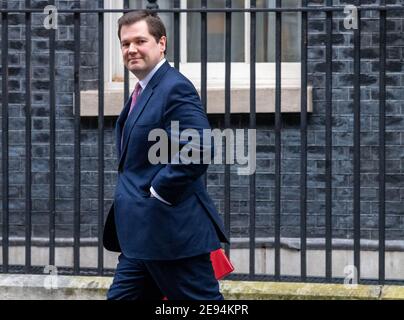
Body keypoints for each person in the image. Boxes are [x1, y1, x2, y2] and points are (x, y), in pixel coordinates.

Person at [103, 10, 229, 300]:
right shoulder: (143, 90)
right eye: (125, 43)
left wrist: (159, 191)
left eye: (140, 41)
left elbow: (199, 147)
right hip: (140, 239)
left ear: (161, 44)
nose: (131, 49)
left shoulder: (175, 87)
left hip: (172, 236)